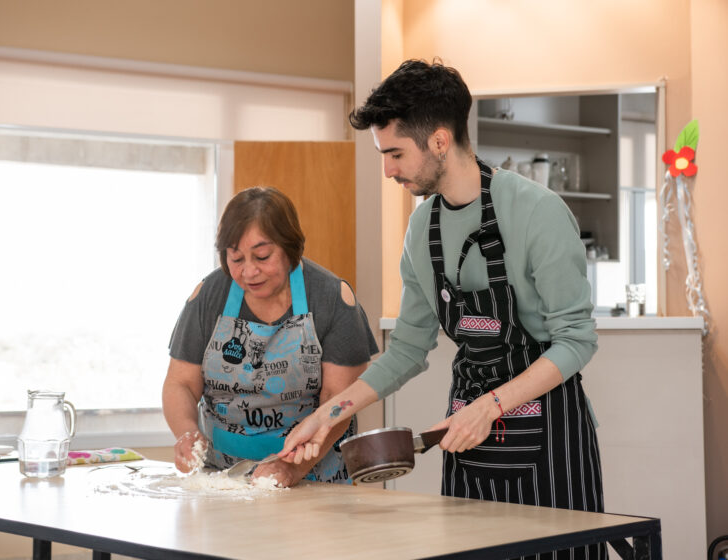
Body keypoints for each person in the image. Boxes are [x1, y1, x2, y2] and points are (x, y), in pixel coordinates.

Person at [280, 59, 605, 559]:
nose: (387, 169)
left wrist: (493, 406)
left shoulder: (538, 213)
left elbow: (576, 341)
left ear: (438, 141)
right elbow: (407, 350)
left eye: (394, 153)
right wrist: (327, 415)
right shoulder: (421, 229)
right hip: (467, 441)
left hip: (548, 441)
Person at [163, 186, 379, 488]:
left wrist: (293, 469)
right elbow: (180, 384)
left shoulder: (331, 298)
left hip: (315, 477)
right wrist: (186, 432)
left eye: (262, 256)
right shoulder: (209, 295)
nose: (249, 272)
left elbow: (337, 402)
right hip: (223, 481)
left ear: (290, 247)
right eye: (236, 259)